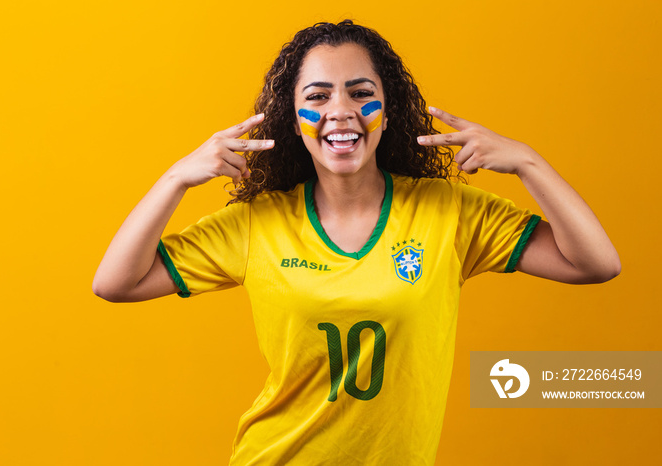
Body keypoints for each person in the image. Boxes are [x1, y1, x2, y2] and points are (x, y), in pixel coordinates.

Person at [93, 20, 620, 465]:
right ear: (293, 120)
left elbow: (596, 263)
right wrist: (175, 179)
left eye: (361, 93)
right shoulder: (257, 223)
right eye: (317, 96)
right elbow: (115, 283)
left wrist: (528, 162)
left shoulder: (448, 212)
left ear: (386, 113)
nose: (340, 110)